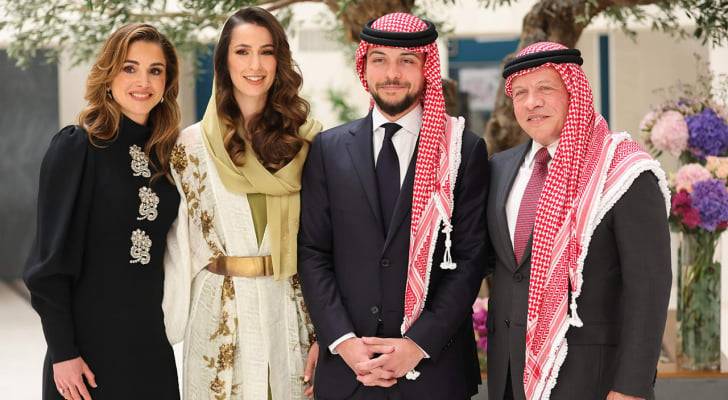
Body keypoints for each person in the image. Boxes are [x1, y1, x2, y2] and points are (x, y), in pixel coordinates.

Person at [298, 12, 488, 400]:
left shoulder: (462, 150)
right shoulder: (328, 149)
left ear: (426, 68)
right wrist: (343, 342)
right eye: (380, 60)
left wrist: (417, 344)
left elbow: (471, 259)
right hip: (350, 372)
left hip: (435, 372)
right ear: (364, 67)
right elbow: (313, 252)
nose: (392, 73)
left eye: (407, 61)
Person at [485, 42, 672, 400]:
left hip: (592, 378)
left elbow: (648, 286)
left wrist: (632, 386)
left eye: (545, 88)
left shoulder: (623, 171)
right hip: (509, 376)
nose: (532, 102)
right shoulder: (500, 167)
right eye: (520, 93)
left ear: (574, 92)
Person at [162, 7, 321, 399]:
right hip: (219, 317)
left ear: (280, 60)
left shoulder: (307, 143)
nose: (255, 65)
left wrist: (327, 333)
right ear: (224, 61)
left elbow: (326, 243)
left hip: (291, 311)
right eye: (242, 51)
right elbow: (176, 248)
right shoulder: (190, 147)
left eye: (266, 52)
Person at [24, 23, 182, 400]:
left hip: (150, 349)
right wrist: (63, 352)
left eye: (155, 70)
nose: (143, 81)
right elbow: (48, 266)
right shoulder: (78, 147)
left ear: (167, 82)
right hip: (86, 355)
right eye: (129, 68)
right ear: (108, 75)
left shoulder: (167, 157)